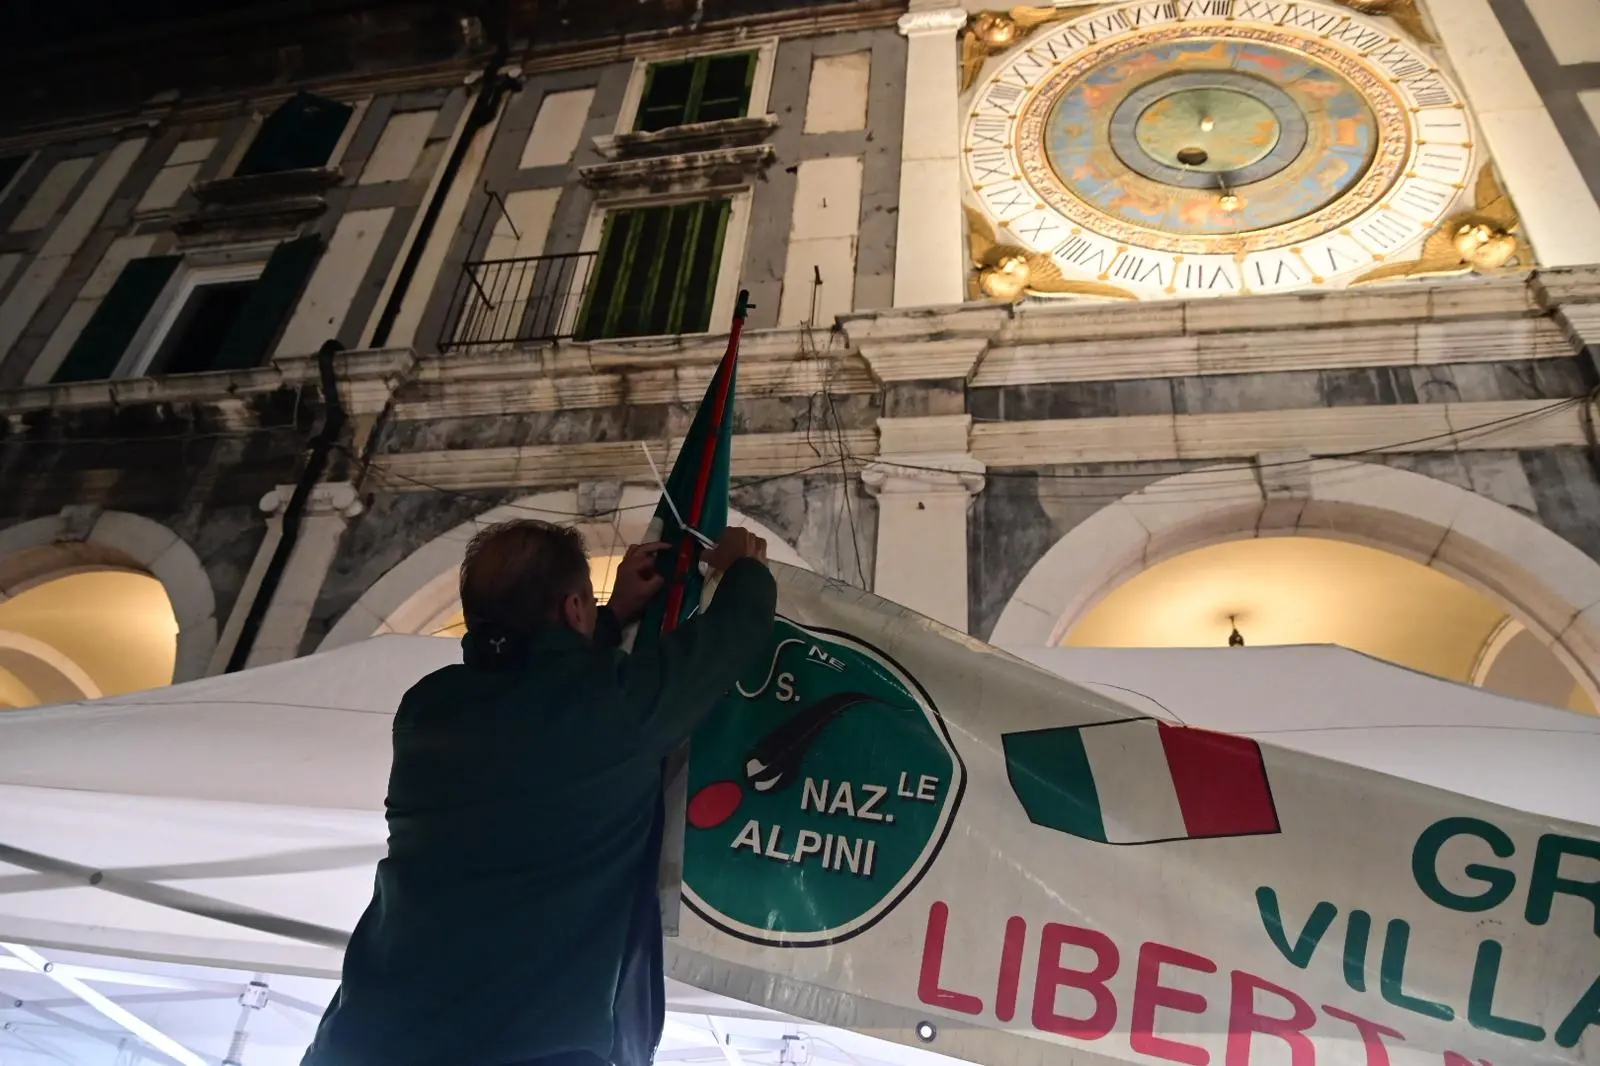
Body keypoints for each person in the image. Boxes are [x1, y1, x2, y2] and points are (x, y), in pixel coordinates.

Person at [303, 519, 777, 1066]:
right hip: (530, 1051)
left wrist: (607, 617)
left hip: (364, 1043)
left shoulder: (426, 711)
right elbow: (731, 633)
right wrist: (744, 570)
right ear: (573, 607)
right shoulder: (610, 706)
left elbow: (538, 690)